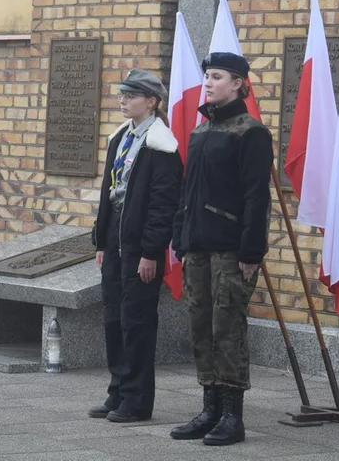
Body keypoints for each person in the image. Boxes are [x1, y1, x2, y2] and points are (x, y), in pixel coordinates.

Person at [170, 51, 273, 446]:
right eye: (207, 76)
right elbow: (187, 192)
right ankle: (210, 408)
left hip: (231, 251)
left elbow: (255, 197)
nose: (209, 82)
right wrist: (180, 236)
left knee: (227, 329)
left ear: (238, 83)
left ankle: (233, 415)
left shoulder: (251, 132)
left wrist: (251, 252)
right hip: (197, 245)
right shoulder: (199, 132)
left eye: (216, 76)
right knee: (200, 327)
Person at [88, 69, 183, 423]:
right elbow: (108, 196)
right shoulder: (120, 138)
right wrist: (101, 242)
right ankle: (118, 391)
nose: (123, 100)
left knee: (137, 322)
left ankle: (138, 400)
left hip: (141, 245)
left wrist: (150, 251)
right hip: (115, 239)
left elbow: (163, 206)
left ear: (153, 102)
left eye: (131, 95)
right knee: (114, 318)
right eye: (122, 94)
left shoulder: (161, 146)